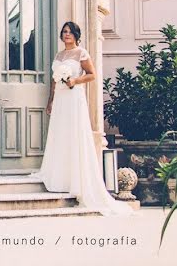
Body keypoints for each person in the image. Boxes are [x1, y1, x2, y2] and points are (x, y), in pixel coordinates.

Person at [34, 21, 132, 216]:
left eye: (70, 32)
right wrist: (50, 101)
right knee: (60, 135)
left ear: (76, 35)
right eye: (64, 32)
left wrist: (75, 80)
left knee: (74, 134)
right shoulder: (59, 55)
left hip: (73, 97)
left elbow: (92, 75)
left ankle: (76, 179)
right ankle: (59, 176)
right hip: (61, 98)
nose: (66, 34)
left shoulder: (81, 53)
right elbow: (54, 82)